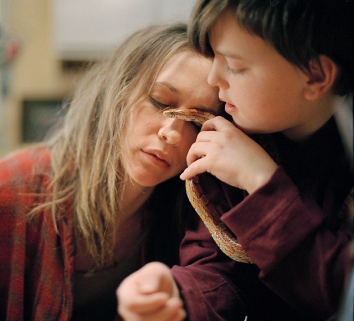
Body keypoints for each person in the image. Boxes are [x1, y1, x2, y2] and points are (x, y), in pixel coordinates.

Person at [0, 23, 223, 321]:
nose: (174, 133)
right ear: (117, 94)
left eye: (196, 122)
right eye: (159, 101)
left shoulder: (193, 216)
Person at [117, 0, 353, 320]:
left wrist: (261, 182)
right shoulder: (229, 143)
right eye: (214, 56)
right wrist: (176, 296)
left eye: (234, 65)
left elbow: (340, 291)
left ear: (315, 76)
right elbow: (219, 272)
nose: (214, 79)